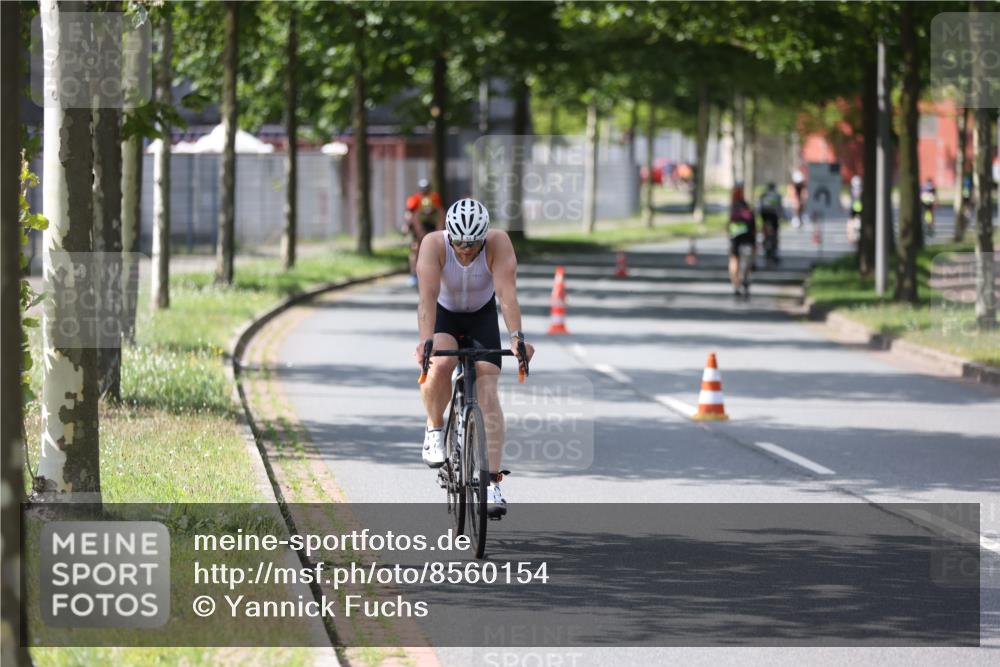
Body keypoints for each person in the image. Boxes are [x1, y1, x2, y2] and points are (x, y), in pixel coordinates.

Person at [414, 198, 535, 517]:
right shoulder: (432, 244)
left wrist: (517, 338)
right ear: (448, 234)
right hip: (445, 315)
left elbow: (507, 296)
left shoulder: (498, 243)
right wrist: (426, 341)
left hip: (481, 316)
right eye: (460, 243)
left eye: (473, 244)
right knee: (439, 363)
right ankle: (434, 427)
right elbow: (426, 300)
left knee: (487, 382)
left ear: (485, 237)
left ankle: (492, 482)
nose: (466, 250)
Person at [403, 178, 444, 286]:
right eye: (423, 190)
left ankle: (437, 273)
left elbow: (441, 213)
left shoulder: (435, 198)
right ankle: (413, 275)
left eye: (426, 190)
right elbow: (410, 214)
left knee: (437, 249)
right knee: (415, 249)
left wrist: (439, 231)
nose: (425, 192)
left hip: (431, 225)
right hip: (418, 226)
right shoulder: (414, 199)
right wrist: (407, 227)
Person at [728, 185, 757, 299]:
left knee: (734, 260)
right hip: (749, 238)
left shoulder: (733, 208)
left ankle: (735, 284)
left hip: (736, 239)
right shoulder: (748, 209)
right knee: (748, 258)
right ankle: (746, 276)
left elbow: (729, 225)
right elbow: (754, 228)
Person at [758, 182, 783, 265]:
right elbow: (780, 208)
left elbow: (759, 208)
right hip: (774, 217)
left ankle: (765, 247)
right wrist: (781, 217)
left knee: (766, 233)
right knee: (775, 235)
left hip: (765, 217)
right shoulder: (777, 195)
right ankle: (774, 252)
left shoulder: (763, 195)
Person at [848, 175, 863, 245]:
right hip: (859, 207)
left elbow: (851, 198)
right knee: (856, 221)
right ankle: (853, 237)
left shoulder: (851, 189)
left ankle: (850, 237)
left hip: (854, 207)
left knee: (851, 221)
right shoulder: (861, 189)